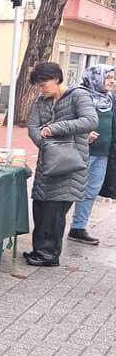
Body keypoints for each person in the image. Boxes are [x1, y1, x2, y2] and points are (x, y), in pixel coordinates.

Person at [24, 62, 97, 267]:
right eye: (38, 85)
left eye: (43, 84)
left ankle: (48, 255)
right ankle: (40, 251)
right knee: (40, 208)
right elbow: (33, 127)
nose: (41, 88)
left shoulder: (78, 95)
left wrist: (55, 129)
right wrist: (48, 145)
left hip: (70, 164)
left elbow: (90, 121)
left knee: (54, 212)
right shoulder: (42, 100)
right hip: (48, 162)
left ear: (56, 79)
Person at [69, 65, 116, 245]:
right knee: (69, 189)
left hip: (103, 154)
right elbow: (65, 122)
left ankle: (78, 228)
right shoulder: (80, 96)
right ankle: (54, 226)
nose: (112, 81)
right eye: (108, 77)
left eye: (113, 78)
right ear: (96, 78)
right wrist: (82, 134)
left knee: (91, 191)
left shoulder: (110, 99)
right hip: (80, 151)